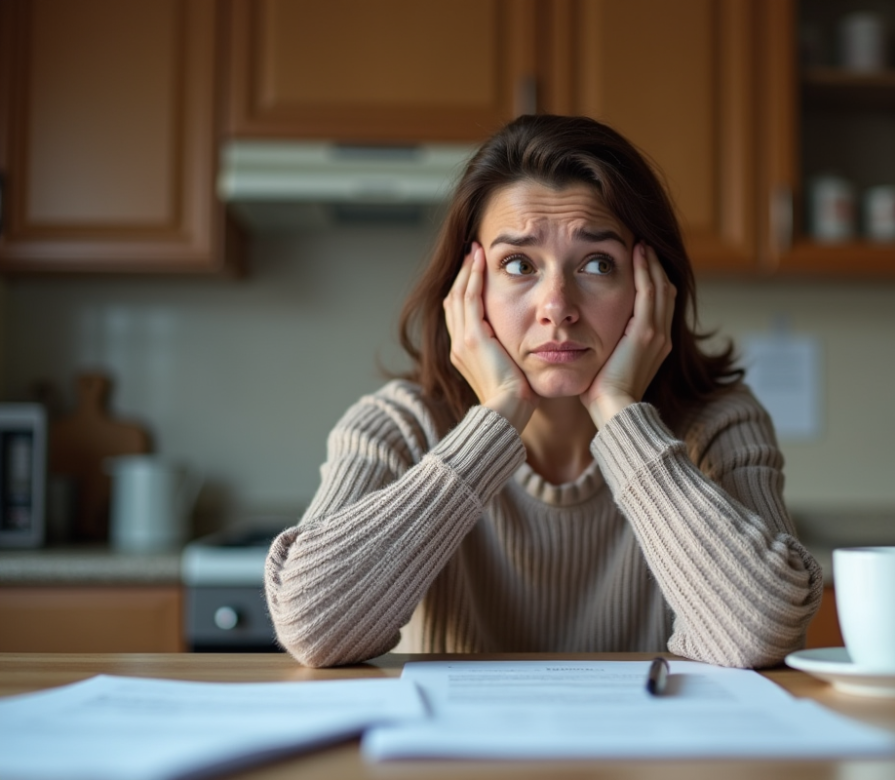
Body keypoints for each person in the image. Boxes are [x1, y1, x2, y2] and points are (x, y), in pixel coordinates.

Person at [265, 114, 823, 669]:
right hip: (454, 755)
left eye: (598, 263)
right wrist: (497, 418)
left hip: (648, 753)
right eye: (518, 264)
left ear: (651, 289)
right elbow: (315, 630)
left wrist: (619, 410)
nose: (557, 306)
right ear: (469, 291)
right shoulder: (398, 426)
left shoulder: (719, 423)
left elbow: (762, 633)